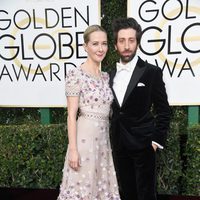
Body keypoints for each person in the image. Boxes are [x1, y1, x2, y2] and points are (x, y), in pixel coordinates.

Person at [109, 17, 171, 200]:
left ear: (137, 43)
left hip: (144, 145)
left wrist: (155, 142)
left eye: (131, 40)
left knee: (146, 194)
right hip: (119, 144)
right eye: (122, 41)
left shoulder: (151, 72)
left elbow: (164, 110)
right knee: (127, 192)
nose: (126, 46)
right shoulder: (109, 75)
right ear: (115, 45)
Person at [57, 25, 121, 200]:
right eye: (95, 44)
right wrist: (73, 150)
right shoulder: (75, 75)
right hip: (84, 143)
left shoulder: (106, 77)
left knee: (101, 189)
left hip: (103, 142)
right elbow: (71, 115)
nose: (100, 49)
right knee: (82, 189)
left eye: (104, 44)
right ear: (86, 46)